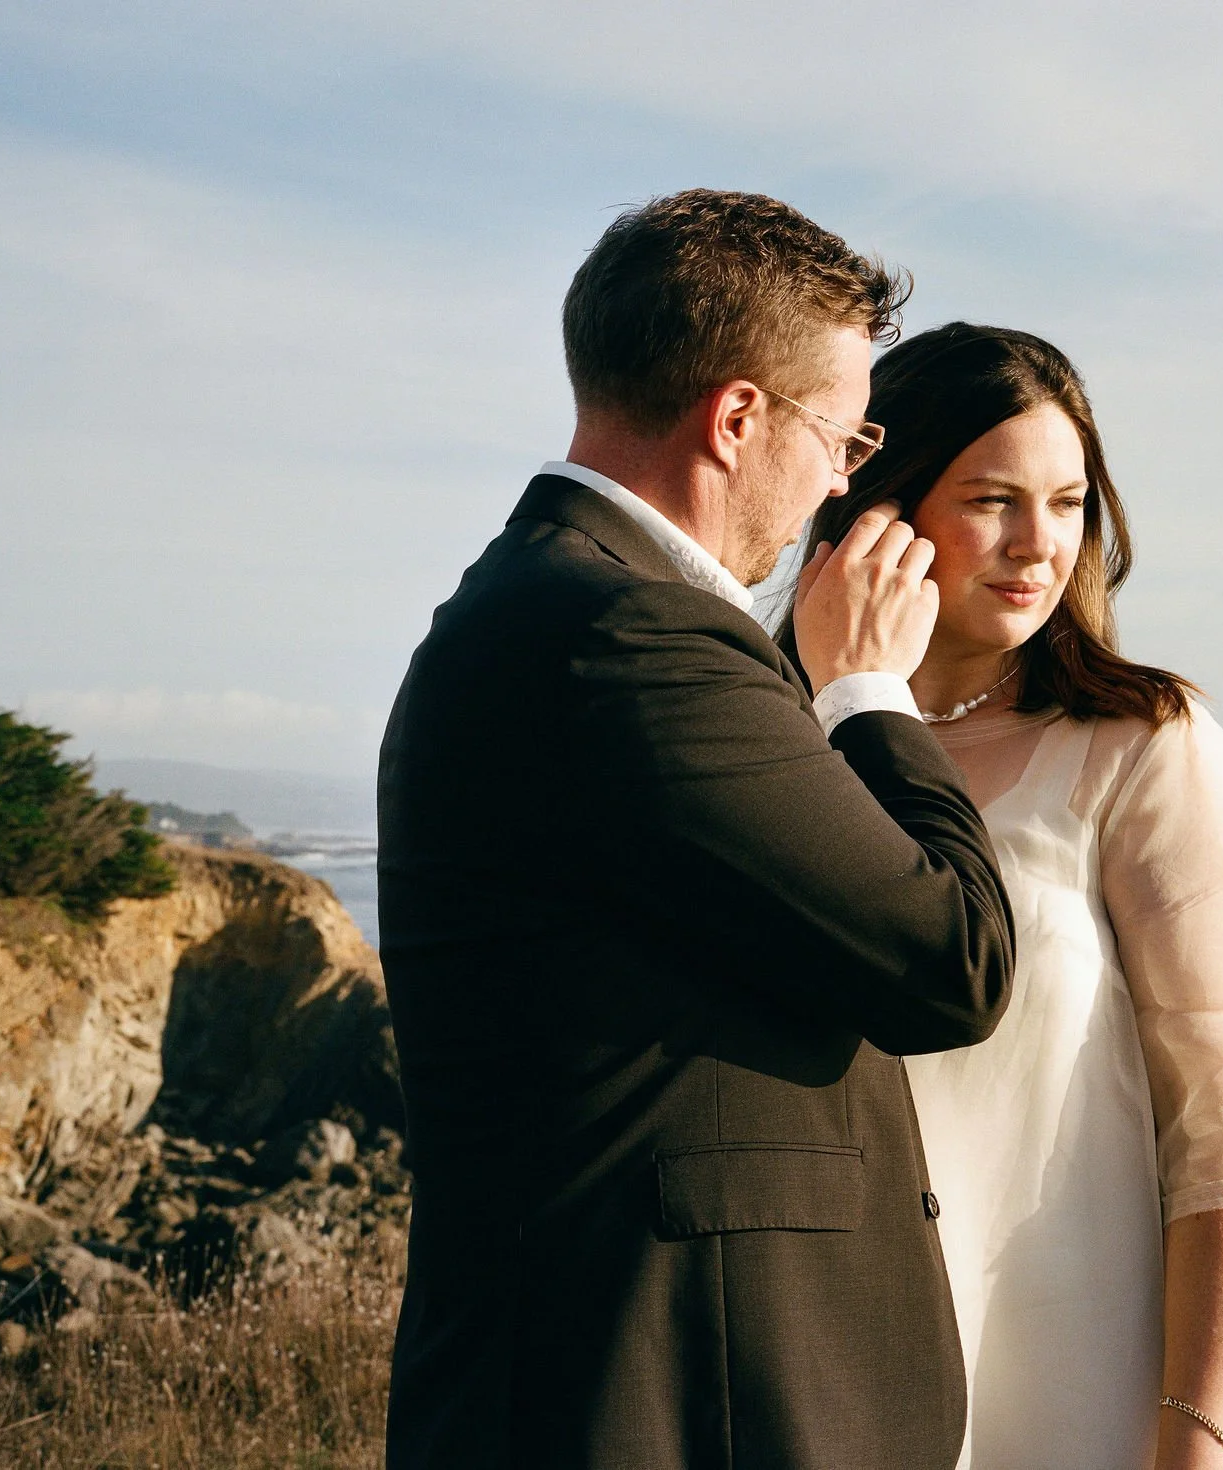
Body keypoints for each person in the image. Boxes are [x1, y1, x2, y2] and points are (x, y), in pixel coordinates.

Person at [376, 193, 1015, 1470]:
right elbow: (951, 961)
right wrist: (867, 690)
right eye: (843, 435)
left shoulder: (533, 603)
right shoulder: (633, 636)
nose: (846, 476)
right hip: (670, 1410)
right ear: (737, 419)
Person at [788, 323, 1223, 1470]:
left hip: (1095, 1395)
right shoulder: (777, 747)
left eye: (1067, 504)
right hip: (835, 1383)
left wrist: (1197, 1444)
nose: (1035, 546)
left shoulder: (1141, 748)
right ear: (878, 509)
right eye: (992, 499)